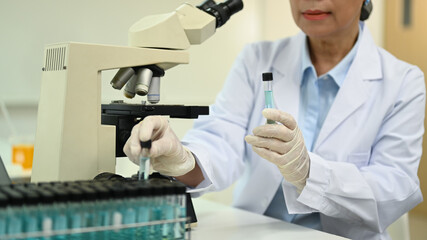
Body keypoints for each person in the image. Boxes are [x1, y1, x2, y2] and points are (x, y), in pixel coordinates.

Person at [124, 0, 425, 239]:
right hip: (256, 230)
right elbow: (221, 140)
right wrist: (182, 158)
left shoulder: (403, 81)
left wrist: (308, 172)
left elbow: (394, 186)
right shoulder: (257, 58)